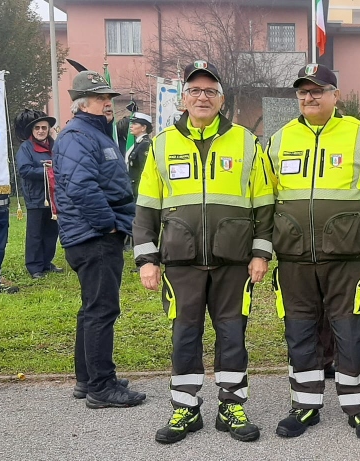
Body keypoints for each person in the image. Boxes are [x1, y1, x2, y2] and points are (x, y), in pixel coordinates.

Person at [134, 60, 273, 444]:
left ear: (221, 99)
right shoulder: (161, 144)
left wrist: (261, 253)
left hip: (234, 262)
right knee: (184, 335)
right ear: (183, 99)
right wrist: (147, 258)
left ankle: (231, 405)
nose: (202, 97)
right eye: (194, 91)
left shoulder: (246, 141)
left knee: (233, 334)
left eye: (210, 91)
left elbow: (264, 204)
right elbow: (145, 207)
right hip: (181, 263)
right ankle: (185, 408)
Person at [266, 64, 360, 441]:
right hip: (293, 258)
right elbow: (265, 196)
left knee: (351, 331)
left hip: (346, 259)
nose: (310, 97)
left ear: (335, 95)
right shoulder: (279, 140)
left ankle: (359, 409)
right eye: (303, 91)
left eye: (318, 90)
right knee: (300, 331)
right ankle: (305, 407)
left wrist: (354, 225)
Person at [53, 69, 145, 409]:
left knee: (92, 309)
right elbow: (81, 186)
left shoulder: (95, 133)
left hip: (93, 234)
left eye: (109, 98)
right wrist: (108, 225)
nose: (108, 104)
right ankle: (101, 388)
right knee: (102, 310)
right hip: (94, 237)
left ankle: (87, 379)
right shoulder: (78, 136)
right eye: (100, 99)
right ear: (81, 104)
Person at [16, 110, 63, 279]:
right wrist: (47, 170)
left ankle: (46, 262)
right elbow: (24, 170)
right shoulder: (26, 147)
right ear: (32, 130)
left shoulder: (54, 146)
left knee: (51, 232)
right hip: (37, 197)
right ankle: (34, 267)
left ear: (49, 129)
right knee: (35, 233)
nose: (41, 131)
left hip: (54, 197)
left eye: (44, 127)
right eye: (37, 128)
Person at [125, 111, 152, 201]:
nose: (131, 126)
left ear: (143, 127)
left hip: (139, 190)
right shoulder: (138, 144)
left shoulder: (145, 144)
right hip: (133, 188)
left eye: (135, 124)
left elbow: (144, 170)